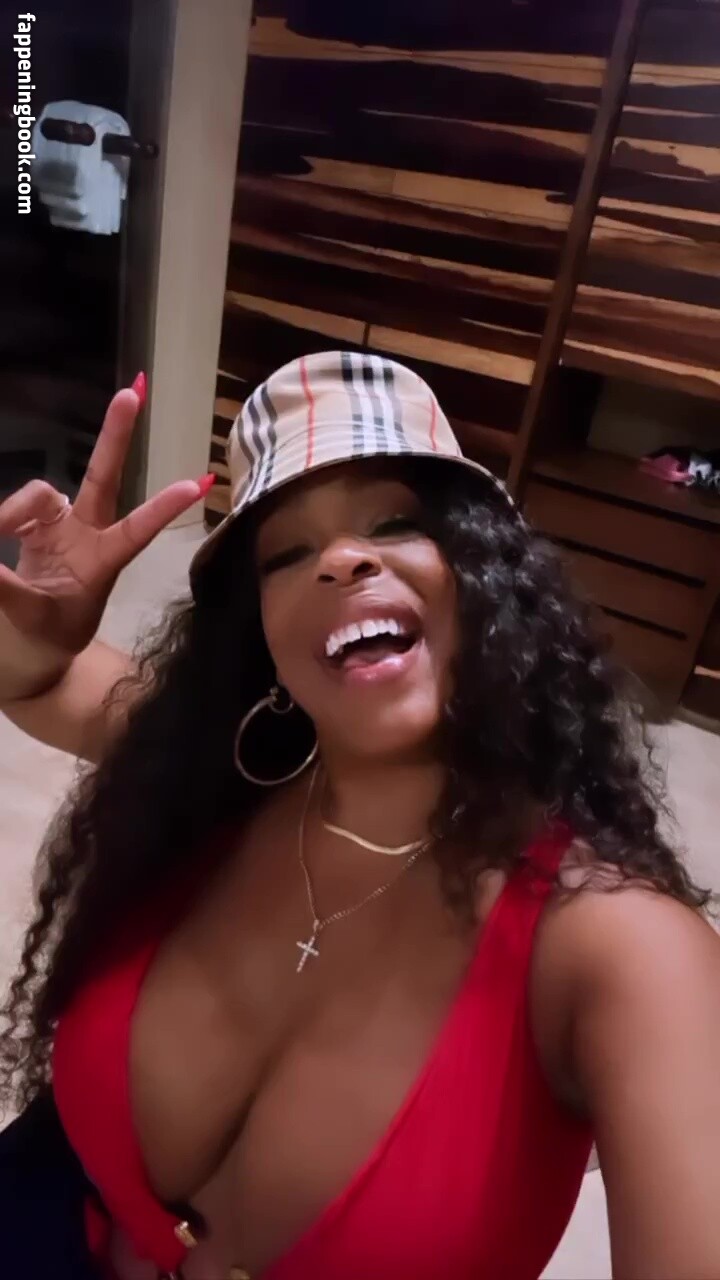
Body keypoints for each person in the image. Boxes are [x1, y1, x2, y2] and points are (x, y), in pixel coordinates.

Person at [0, 351, 718, 1280]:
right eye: (287, 554)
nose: (341, 558)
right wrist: (31, 638)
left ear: (489, 578)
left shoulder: (622, 949)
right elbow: (40, 682)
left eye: (395, 522)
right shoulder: (217, 768)